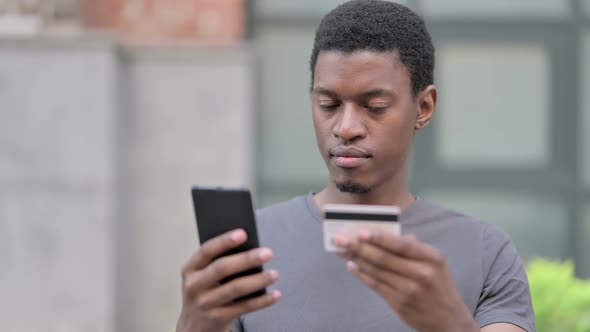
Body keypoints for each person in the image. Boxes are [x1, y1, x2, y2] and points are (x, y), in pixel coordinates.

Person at [176, 1, 536, 331]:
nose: (346, 127)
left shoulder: (485, 252)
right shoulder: (253, 248)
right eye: (329, 104)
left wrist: (448, 322)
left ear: (423, 108)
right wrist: (193, 324)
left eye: (375, 106)